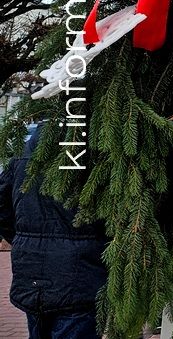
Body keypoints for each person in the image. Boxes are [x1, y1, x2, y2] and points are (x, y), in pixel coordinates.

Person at [0, 127, 108, 337]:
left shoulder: (26, 149)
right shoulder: (98, 144)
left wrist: (23, 239)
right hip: (80, 276)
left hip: (34, 275)